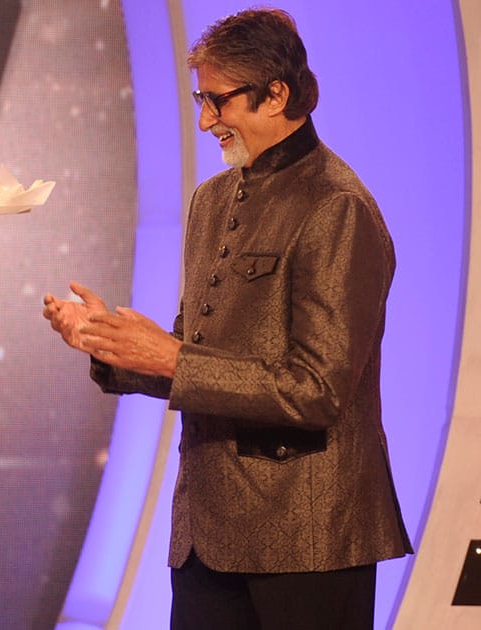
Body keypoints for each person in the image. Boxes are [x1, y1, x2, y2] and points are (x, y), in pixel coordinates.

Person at [43, 9, 411, 629]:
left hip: (308, 537)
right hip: (207, 536)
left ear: (277, 94)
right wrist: (113, 345)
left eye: (217, 100)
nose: (205, 120)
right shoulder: (211, 201)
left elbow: (316, 391)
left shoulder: (336, 207)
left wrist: (169, 355)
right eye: (198, 99)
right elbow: (195, 356)